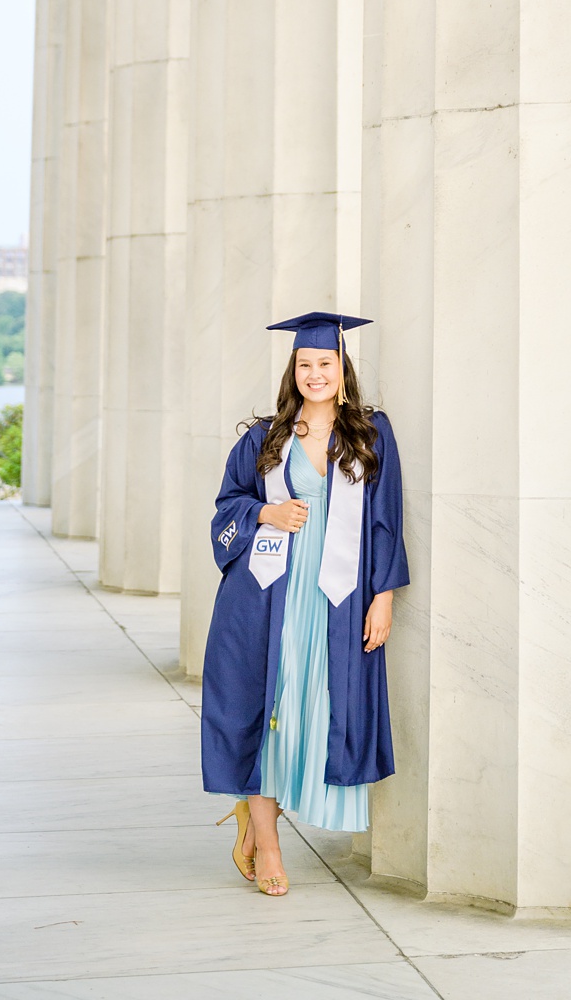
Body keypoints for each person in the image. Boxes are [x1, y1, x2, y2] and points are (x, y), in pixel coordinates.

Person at [201, 312, 408, 898]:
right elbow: (226, 507)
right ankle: (267, 845)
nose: (315, 373)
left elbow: (387, 522)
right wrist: (265, 513)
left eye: (326, 363)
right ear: (294, 373)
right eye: (305, 365)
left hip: (336, 604)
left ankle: (252, 822)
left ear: (343, 372)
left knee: (312, 720)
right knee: (265, 713)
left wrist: (384, 596)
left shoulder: (372, 435)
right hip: (268, 598)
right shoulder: (266, 438)